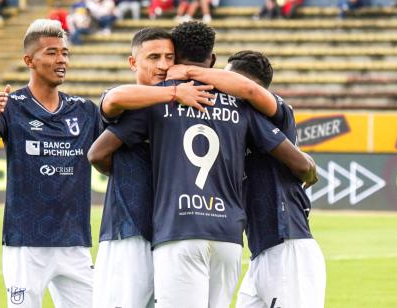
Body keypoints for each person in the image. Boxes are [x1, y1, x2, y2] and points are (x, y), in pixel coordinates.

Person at [91, 21, 317, 307]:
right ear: (212, 61)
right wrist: (309, 168)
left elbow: (97, 153)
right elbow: (298, 160)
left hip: (178, 229)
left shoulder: (154, 101)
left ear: (176, 57)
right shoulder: (241, 104)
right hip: (229, 236)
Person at [0, 19, 100, 308]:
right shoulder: (12, 104)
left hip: (74, 240)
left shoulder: (85, 110)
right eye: (52, 52)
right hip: (25, 241)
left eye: (65, 52)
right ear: (29, 60)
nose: (61, 59)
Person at [88, 28, 215, 308]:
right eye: (153, 57)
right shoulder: (135, 101)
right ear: (133, 63)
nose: (163, 65)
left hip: (172, 233)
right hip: (130, 229)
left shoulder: (179, 104)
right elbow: (110, 108)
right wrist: (173, 92)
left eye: (170, 57)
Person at [221, 50, 326, 308]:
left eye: (227, 78)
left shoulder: (269, 113)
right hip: (260, 252)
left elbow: (303, 165)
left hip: (288, 248)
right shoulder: (237, 122)